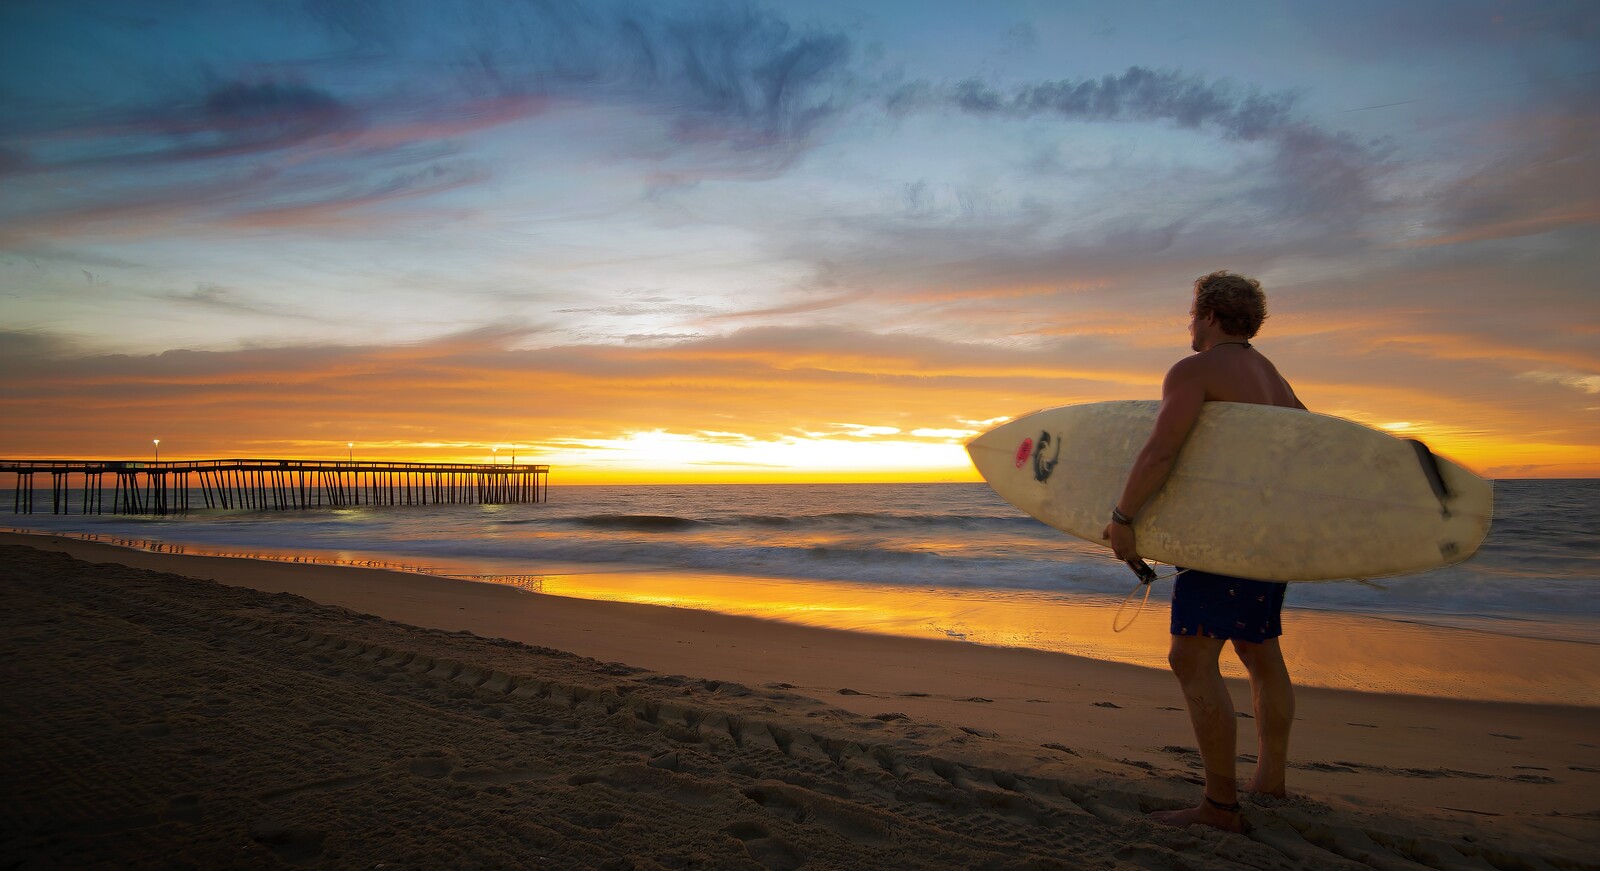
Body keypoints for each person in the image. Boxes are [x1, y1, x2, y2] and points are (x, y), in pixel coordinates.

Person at [1102, 270, 1306, 833]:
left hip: (1225, 543)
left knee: (1189, 658)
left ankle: (1220, 808)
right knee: (1260, 654)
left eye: (1192, 315)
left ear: (1210, 315)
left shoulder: (1195, 370)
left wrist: (1124, 518)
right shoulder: (1272, 378)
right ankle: (1271, 782)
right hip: (1268, 540)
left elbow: (1161, 450)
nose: (1189, 326)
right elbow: (1308, 442)